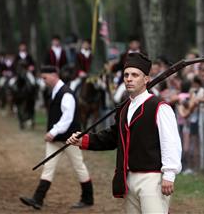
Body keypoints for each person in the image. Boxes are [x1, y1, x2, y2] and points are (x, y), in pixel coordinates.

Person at [67, 52, 182, 213]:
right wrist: (84, 140)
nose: (129, 78)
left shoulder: (159, 107)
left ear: (146, 79)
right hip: (128, 178)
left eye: (135, 75)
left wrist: (169, 174)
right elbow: (114, 136)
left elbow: (170, 142)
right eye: (126, 75)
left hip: (152, 179)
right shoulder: (124, 108)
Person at [19, 65, 94, 210]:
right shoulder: (56, 91)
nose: (44, 81)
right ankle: (38, 199)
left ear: (54, 75)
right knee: (48, 167)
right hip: (56, 139)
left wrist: (53, 132)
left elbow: (67, 118)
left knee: (79, 166)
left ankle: (88, 198)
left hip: (69, 139)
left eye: (45, 78)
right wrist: (53, 134)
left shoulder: (66, 93)